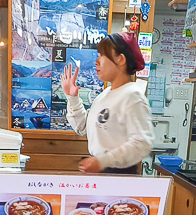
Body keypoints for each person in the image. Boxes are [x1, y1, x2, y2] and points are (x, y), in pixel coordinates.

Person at [61, 32, 154, 174]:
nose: (96, 62)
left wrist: (103, 161)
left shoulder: (133, 96)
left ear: (120, 60)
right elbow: (83, 128)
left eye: (101, 56)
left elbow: (142, 143)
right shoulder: (105, 94)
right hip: (100, 172)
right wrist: (72, 98)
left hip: (119, 176)